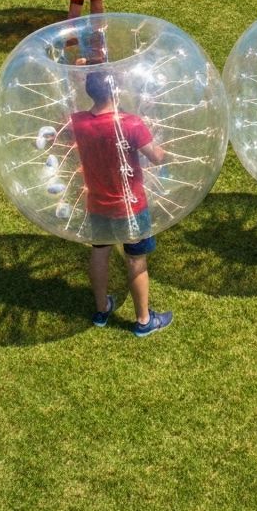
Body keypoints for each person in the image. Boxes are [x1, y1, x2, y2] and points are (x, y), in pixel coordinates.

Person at [72, 72, 172, 337]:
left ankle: (102, 309)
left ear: (90, 93)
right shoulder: (131, 124)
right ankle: (143, 321)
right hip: (131, 206)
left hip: (97, 204)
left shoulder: (79, 122)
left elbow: (63, 140)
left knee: (100, 251)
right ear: (116, 91)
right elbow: (156, 156)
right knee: (136, 259)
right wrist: (166, 150)